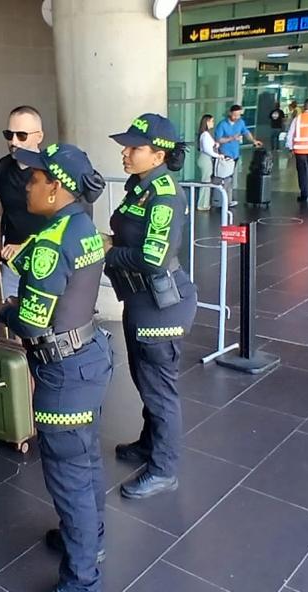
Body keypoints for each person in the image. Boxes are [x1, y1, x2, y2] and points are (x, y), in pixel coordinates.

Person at [0, 143, 113, 592]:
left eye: (36, 177)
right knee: (85, 460)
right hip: (89, 358)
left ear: (56, 188)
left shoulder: (51, 240)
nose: (28, 182)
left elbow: (30, 320)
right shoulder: (83, 226)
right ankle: (89, 539)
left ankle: (81, 579)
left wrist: (9, 309)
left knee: (68, 478)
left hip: (62, 373)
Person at [107, 114, 198, 499]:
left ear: (158, 154)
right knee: (145, 379)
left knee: (160, 389)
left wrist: (110, 251)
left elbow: (154, 258)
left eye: (134, 148)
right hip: (140, 299)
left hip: (160, 306)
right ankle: (149, 444)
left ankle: (164, 468)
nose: (125, 153)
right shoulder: (140, 187)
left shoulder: (164, 194)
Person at [0, 106, 51, 299]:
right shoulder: (3, 166)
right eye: (9, 134)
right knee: (12, 319)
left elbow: (64, 222)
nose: (13, 142)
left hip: (47, 263)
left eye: (21, 135)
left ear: (39, 136)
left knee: (46, 324)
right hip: (11, 263)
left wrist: (26, 247)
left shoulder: (53, 169)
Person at [213, 104, 262, 204]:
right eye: (235, 115)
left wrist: (253, 141)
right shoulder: (222, 124)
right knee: (223, 178)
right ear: (230, 113)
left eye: (239, 115)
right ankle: (220, 200)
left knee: (230, 178)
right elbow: (218, 140)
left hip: (235, 154)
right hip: (224, 154)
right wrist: (232, 138)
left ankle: (228, 200)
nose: (237, 117)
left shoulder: (240, 123)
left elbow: (246, 132)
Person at [195, 114, 219, 212]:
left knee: (206, 180)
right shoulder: (205, 135)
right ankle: (202, 204)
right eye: (212, 121)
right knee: (205, 182)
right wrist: (217, 155)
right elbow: (207, 149)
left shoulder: (205, 134)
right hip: (205, 159)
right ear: (207, 122)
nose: (213, 123)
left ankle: (204, 203)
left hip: (206, 158)